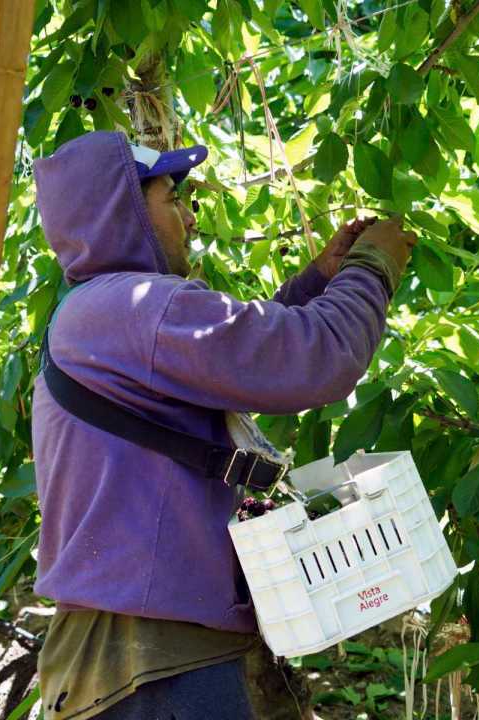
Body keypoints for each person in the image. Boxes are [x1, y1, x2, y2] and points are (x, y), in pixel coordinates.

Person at [30, 130, 417, 720]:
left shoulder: (99, 315)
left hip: (134, 649)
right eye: (171, 199)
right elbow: (314, 359)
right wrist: (373, 266)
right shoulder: (136, 306)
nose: (189, 218)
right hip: (154, 660)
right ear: (124, 213)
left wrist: (320, 280)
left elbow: (242, 357)